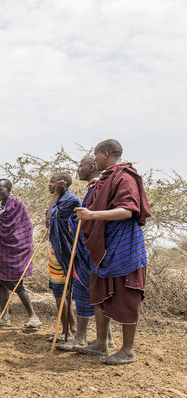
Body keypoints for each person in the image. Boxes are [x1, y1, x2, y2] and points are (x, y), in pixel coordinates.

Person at [75, 139, 151, 365]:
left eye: (96, 155)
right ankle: (101, 342)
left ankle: (127, 351)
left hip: (123, 248)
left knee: (127, 296)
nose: (94, 159)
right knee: (99, 291)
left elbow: (127, 211)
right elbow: (107, 194)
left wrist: (91, 215)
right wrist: (99, 183)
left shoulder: (125, 177)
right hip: (104, 248)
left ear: (105, 154)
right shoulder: (109, 177)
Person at [56, 155, 115, 351]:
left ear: (92, 166)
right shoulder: (94, 187)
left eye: (81, 165)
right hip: (87, 246)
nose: (78, 169)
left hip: (92, 249)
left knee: (87, 290)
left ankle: (81, 338)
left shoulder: (99, 187)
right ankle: (104, 339)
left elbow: (95, 218)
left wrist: (77, 221)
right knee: (94, 291)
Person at [0, 178, 41, 328]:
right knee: (2, 285)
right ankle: (4, 317)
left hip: (15, 252)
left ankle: (33, 316)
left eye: (1, 189)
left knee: (17, 284)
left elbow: (25, 229)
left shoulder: (18, 205)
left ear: (9, 189)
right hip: (1, 252)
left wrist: (11, 240)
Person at [46, 173, 80, 339]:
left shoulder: (70, 200)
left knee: (62, 292)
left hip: (66, 252)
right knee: (59, 292)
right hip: (57, 251)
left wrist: (57, 193)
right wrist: (56, 195)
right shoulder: (60, 199)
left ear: (62, 183)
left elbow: (50, 219)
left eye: (52, 182)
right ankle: (67, 330)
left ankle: (71, 331)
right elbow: (48, 220)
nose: (49, 185)